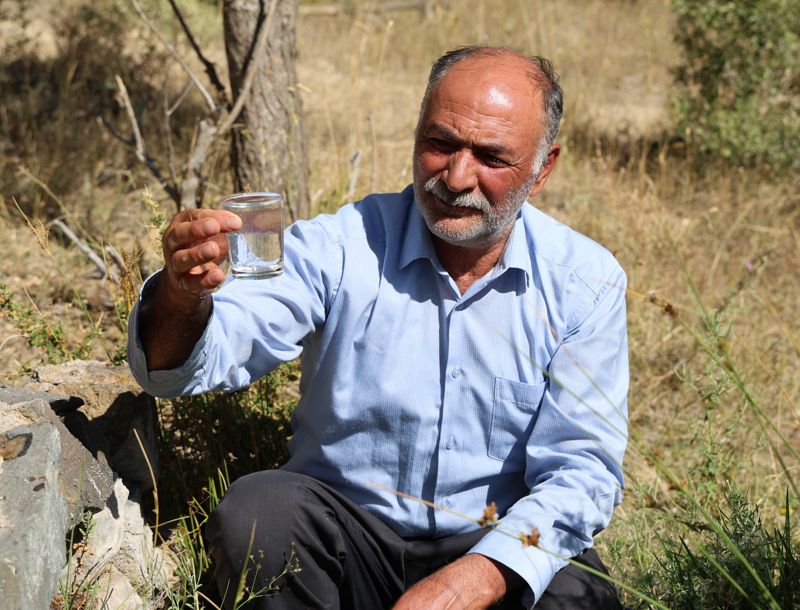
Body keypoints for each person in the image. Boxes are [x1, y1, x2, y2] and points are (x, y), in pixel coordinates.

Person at [127, 46, 629, 610]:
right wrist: (183, 295)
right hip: (348, 537)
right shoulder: (342, 247)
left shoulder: (583, 282)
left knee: (578, 594)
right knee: (260, 514)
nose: (457, 176)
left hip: (496, 540)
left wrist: (478, 577)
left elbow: (583, 471)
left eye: (491, 156)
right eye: (440, 143)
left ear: (543, 169)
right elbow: (187, 364)